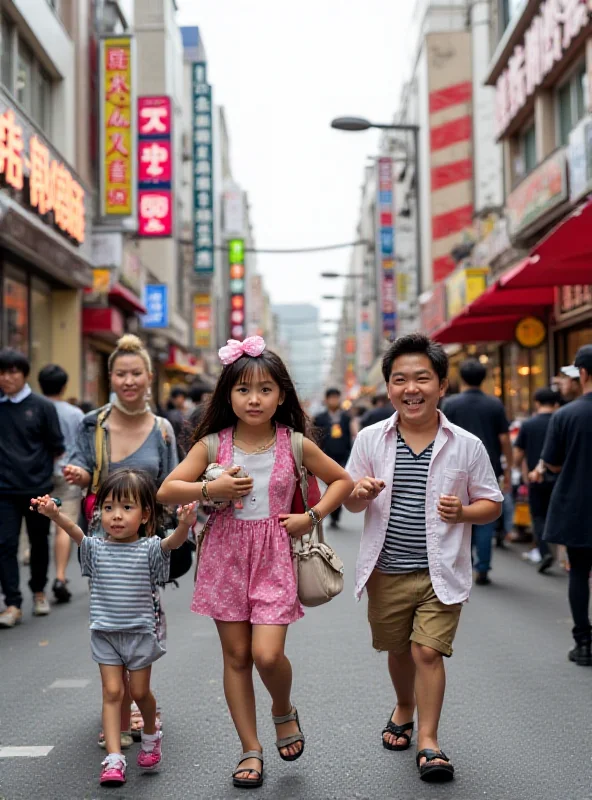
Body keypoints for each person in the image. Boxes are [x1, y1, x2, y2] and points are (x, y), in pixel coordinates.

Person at [157, 335, 353, 789]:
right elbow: (167, 489)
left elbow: (341, 481)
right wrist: (212, 490)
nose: (254, 399)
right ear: (229, 395)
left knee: (267, 654)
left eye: (265, 389)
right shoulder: (211, 445)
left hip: (275, 558)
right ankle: (251, 749)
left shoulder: (296, 443)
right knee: (237, 656)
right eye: (244, 389)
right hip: (225, 556)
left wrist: (311, 516)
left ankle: (282, 710)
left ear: (281, 395)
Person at [345, 334, 502, 784]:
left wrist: (465, 511)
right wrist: (359, 493)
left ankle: (428, 741)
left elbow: (492, 503)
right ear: (389, 387)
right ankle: (404, 704)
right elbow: (351, 502)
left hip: (441, 571)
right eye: (400, 380)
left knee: (427, 652)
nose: (410, 389)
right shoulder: (371, 439)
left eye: (421, 379)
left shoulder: (466, 444)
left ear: (441, 385)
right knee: (397, 650)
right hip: (386, 570)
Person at [32, 468, 197, 786]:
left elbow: (172, 543)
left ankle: (151, 735)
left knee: (139, 692)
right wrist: (54, 513)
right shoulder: (95, 547)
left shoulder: (149, 548)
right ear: (98, 513)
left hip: (139, 633)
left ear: (145, 514)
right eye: (108, 508)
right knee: (111, 692)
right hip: (105, 634)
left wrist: (185, 525)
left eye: (126, 508)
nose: (116, 516)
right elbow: (73, 531)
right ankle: (114, 758)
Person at [63, 333, 178, 746]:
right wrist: (77, 473)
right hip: (101, 541)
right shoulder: (92, 423)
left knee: (141, 620)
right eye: (120, 373)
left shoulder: (163, 430)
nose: (128, 380)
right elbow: (76, 463)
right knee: (110, 620)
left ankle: (136, 700)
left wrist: (182, 523)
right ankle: (119, 703)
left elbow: (172, 482)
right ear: (110, 376)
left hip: (145, 546)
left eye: (136, 373)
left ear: (149, 377)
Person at [532, 345, 592, 667]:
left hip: (578, 505)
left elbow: (552, 464)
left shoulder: (566, 415)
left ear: (582, 373)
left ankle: (584, 643)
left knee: (579, 573)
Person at [0, 349, 65, 627]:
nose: (6, 377)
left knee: (39, 543)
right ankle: (12, 603)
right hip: (3, 490)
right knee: (5, 545)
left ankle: (39, 592)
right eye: (2, 372)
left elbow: (57, 447)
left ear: (24, 374)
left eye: (13, 371)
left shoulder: (42, 407)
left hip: (38, 489)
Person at [442, 358, 511, 585]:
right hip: (490, 466)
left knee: (460, 515)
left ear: (461, 378)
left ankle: (466, 562)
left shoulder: (451, 404)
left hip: (455, 467)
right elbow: (504, 439)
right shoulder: (495, 404)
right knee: (485, 517)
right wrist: (508, 469)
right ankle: (483, 567)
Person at [38, 364, 84, 603]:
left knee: (38, 530)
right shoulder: (75, 413)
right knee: (62, 525)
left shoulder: (35, 408)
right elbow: (80, 445)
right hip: (68, 473)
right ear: (64, 386)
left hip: (39, 474)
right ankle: (60, 576)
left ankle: (40, 585)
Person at [513, 388, 560, 573]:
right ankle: (565, 556)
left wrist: (519, 469)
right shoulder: (560, 420)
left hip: (535, 476)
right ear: (556, 404)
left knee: (538, 516)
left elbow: (518, 453)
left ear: (537, 403)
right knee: (557, 514)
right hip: (561, 477)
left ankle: (545, 550)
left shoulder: (529, 424)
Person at [314, 388, 352, 528]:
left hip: (342, 455)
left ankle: (336, 514)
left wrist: (350, 453)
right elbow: (316, 437)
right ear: (326, 400)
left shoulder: (345, 417)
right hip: (326, 456)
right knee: (331, 485)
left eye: (336, 397)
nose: (334, 400)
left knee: (340, 485)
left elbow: (350, 436)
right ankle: (333, 512)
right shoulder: (320, 418)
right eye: (331, 398)